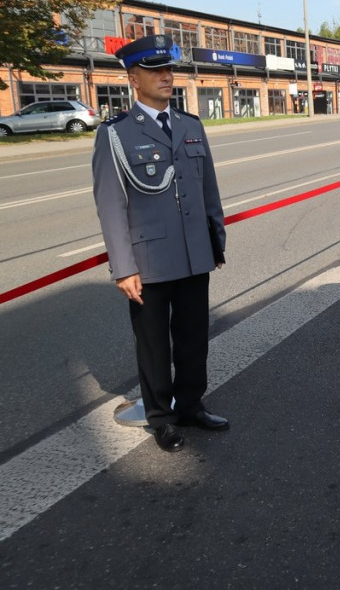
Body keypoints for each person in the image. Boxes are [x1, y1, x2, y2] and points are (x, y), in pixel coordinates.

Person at [92, 34, 229, 453]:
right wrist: (123, 266)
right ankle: (161, 417)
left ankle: (190, 404)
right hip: (148, 260)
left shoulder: (190, 125)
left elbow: (208, 189)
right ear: (134, 78)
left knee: (194, 337)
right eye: (156, 71)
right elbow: (110, 205)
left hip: (193, 254)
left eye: (169, 69)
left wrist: (215, 239)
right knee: (154, 344)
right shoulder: (115, 135)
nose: (167, 77)